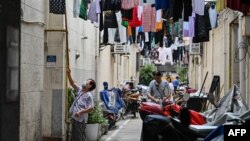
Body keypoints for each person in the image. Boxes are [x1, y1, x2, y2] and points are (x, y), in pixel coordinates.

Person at [67, 68, 96, 141]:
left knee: (80, 137)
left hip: (80, 119)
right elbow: (72, 83)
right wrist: (69, 74)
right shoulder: (80, 90)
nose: (85, 82)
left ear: (90, 86)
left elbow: (91, 108)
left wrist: (80, 112)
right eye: (86, 81)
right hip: (74, 117)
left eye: (87, 82)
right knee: (74, 137)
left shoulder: (89, 95)